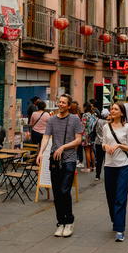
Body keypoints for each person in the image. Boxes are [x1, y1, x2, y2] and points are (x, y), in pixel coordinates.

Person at [37, 93, 83, 238]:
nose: (61, 104)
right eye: (60, 102)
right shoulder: (51, 120)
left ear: (69, 106)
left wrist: (63, 147)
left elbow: (78, 140)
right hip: (55, 160)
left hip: (69, 159)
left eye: (64, 102)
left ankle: (69, 221)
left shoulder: (75, 119)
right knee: (57, 193)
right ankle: (60, 222)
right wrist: (41, 153)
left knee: (64, 190)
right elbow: (46, 137)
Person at [102, 101, 128, 242]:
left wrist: (119, 145)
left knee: (120, 198)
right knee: (111, 197)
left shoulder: (127, 127)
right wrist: (106, 147)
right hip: (109, 166)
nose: (112, 110)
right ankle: (116, 220)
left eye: (115, 109)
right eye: (111, 108)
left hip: (123, 166)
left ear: (121, 113)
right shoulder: (106, 127)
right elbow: (103, 143)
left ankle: (120, 229)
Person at [81, 102, 97, 172]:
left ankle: (88, 167)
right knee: (91, 151)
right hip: (92, 134)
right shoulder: (93, 115)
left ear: (85, 107)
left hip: (86, 134)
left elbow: (83, 125)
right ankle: (93, 166)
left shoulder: (85, 115)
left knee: (87, 151)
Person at [94, 110, 109, 181]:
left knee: (99, 160)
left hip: (98, 142)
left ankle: (97, 175)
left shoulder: (97, 121)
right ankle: (107, 175)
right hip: (106, 143)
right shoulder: (108, 123)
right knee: (107, 160)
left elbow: (94, 130)